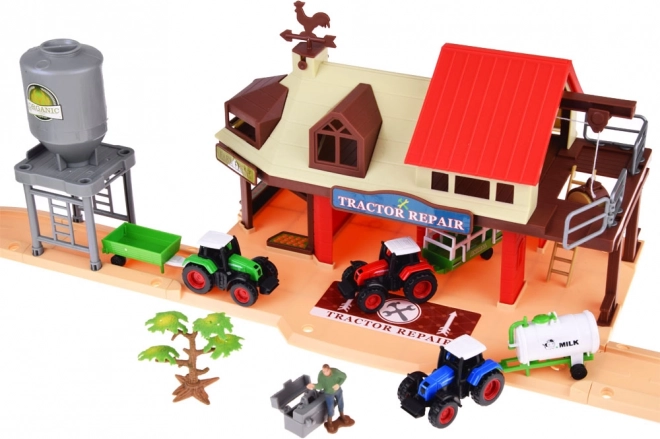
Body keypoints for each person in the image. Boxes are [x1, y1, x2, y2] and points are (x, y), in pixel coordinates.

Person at [307, 364, 354, 433]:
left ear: (329, 370)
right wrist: (314, 386)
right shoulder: (321, 375)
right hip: (328, 394)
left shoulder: (335, 372)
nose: (324, 373)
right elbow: (321, 385)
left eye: (326, 371)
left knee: (340, 402)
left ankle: (342, 415)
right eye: (323, 371)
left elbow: (344, 376)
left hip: (338, 391)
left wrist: (338, 384)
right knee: (330, 407)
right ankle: (330, 421)